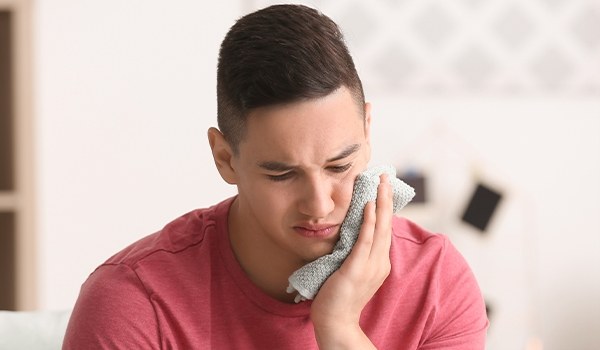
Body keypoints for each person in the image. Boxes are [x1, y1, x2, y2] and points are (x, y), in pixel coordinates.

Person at [63, 4, 488, 349]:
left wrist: (338, 327)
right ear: (225, 158)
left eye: (339, 167)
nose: (320, 204)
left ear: (367, 131)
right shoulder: (134, 303)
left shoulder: (435, 282)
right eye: (282, 174)